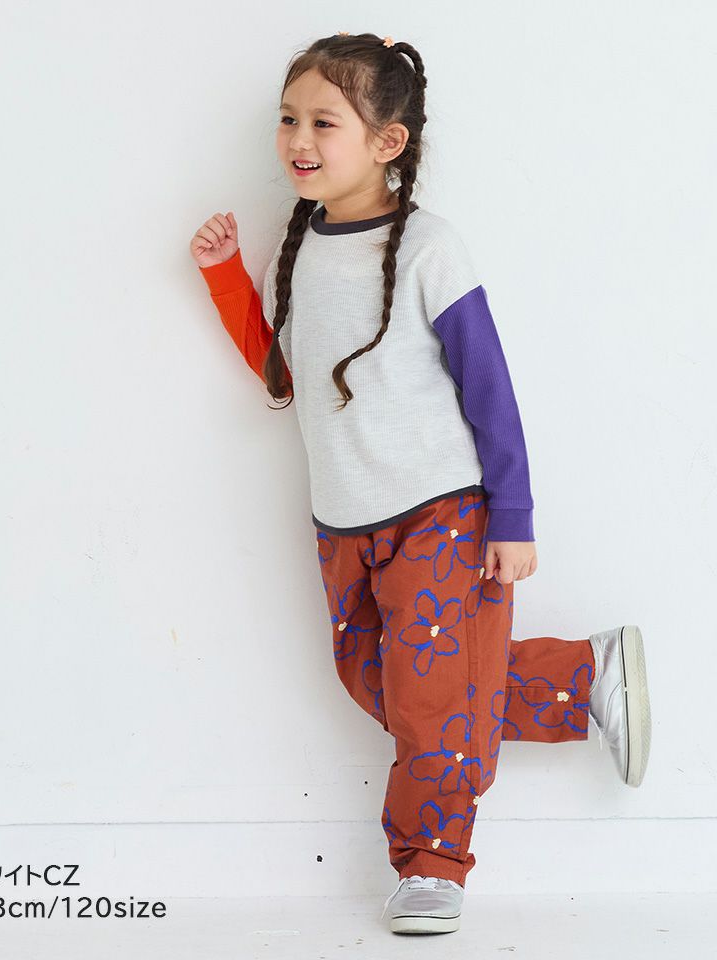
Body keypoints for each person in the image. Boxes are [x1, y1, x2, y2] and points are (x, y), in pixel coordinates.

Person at [189, 31, 652, 936]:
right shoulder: (300, 250)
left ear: (388, 142)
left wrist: (512, 517)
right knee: (383, 683)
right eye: (288, 119)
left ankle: (432, 866)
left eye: (324, 122)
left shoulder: (431, 250)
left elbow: (490, 388)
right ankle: (584, 673)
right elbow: (285, 375)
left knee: (431, 704)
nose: (298, 139)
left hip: (443, 515)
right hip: (342, 521)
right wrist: (224, 279)